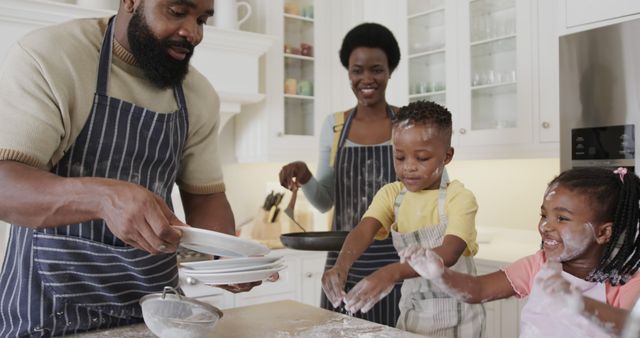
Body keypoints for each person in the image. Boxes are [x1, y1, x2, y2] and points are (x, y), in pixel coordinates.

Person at [0, 0, 261, 336]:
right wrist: (103, 197)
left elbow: (206, 199)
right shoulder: (52, 56)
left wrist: (229, 259)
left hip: (154, 318)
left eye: (202, 20)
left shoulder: (199, 95)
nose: (192, 34)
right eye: (177, 12)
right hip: (49, 317)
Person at [401, 166, 640, 337]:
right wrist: (439, 274)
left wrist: (581, 304)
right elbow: (478, 289)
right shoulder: (539, 265)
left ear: (603, 232)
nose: (546, 226)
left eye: (562, 218)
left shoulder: (626, 278)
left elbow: (633, 327)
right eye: (544, 215)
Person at [322, 100, 485, 337]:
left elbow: (449, 254)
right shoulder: (391, 195)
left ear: (447, 156)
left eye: (421, 158)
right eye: (399, 157)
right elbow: (363, 231)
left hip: (458, 319)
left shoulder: (459, 198)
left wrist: (392, 272)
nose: (409, 167)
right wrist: (341, 266)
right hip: (412, 313)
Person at [278, 22, 402, 326]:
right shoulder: (334, 126)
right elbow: (324, 202)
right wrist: (305, 176)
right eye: (357, 70)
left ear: (390, 71)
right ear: (348, 72)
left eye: (377, 69)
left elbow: (435, 195)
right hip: (342, 265)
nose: (366, 79)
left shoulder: (407, 123)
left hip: (396, 262)